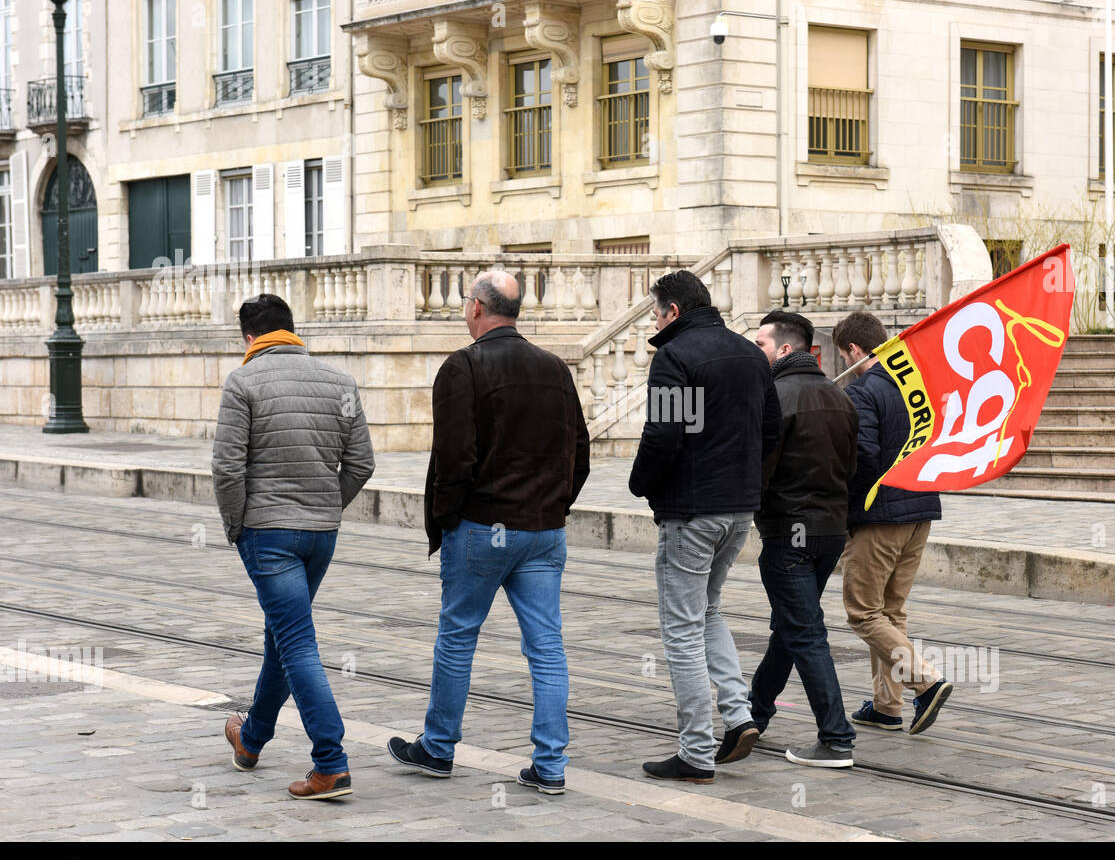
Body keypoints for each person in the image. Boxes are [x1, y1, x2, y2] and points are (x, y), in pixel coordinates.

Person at [387, 271, 590, 796]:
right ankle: (550, 765)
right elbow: (580, 451)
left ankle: (438, 747)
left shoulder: (464, 366)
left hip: (484, 526)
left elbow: (454, 459)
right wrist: (554, 504)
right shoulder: (555, 369)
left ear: (477, 307)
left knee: (458, 638)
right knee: (546, 647)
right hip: (544, 529)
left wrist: (450, 519)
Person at [213, 293, 375, 800]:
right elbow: (362, 462)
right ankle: (252, 739)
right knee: (282, 637)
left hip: (268, 534)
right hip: (320, 535)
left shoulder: (242, 382)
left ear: (249, 338)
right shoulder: (340, 381)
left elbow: (226, 468)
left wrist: (239, 526)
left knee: (296, 642)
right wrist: (328, 506)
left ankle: (331, 763)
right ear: (291, 330)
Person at [629, 270, 781, 783]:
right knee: (708, 610)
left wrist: (641, 485)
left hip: (692, 511)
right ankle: (738, 716)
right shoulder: (747, 354)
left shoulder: (677, 356)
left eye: (655, 312)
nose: (653, 320)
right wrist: (748, 488)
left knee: (680, 629)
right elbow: (771, 432)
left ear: (673, 311)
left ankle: (695, 751)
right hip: (739, 510)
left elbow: (666, 432)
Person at [833, 311, 952, 735]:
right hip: (920, 510)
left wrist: (846, 506)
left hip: (879, 515)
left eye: (841, 353)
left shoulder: (863, 391)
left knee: (863, 613)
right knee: (890, 612)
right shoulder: (915, 384)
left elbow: (862, 459)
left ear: (853, 349)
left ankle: (926, 681)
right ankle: (887, 706)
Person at [749, 311, 858, 768]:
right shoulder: (840, 397)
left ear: (785, 350)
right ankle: (754, 712)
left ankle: (836, 737)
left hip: (788, 531)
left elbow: (760, 469)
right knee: (790, 627)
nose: (756, 353)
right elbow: (854, 466)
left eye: (761, 346)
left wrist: (755, 512)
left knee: (805, 631)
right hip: (830, 530)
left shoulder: (774, 397)